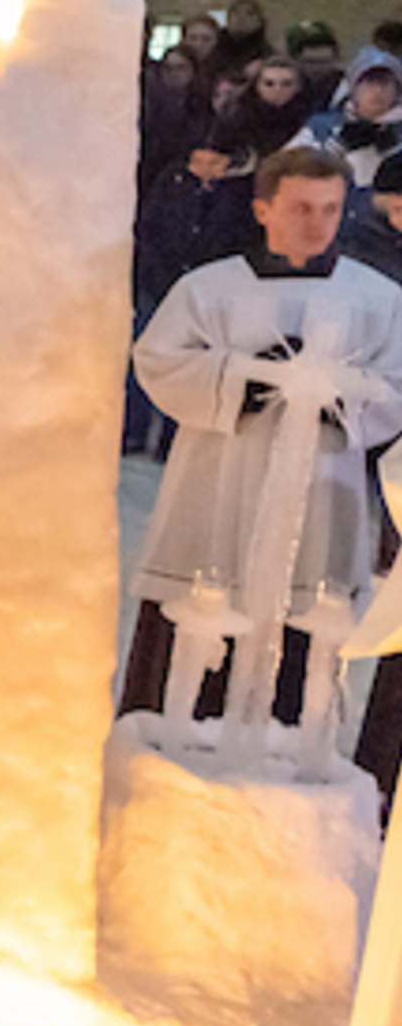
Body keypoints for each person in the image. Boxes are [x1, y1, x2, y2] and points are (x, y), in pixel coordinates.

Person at [124, 147, 402, 723]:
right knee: (198, 620)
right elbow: (157, 361)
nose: (316, 222)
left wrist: (330, 393)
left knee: (304, 626)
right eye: (300, 207)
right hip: (218, 474)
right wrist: (245, 378)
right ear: (262, 209)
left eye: (329, 209)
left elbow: (396, 386)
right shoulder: (211, 288)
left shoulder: (378, 298)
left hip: (322, 491)